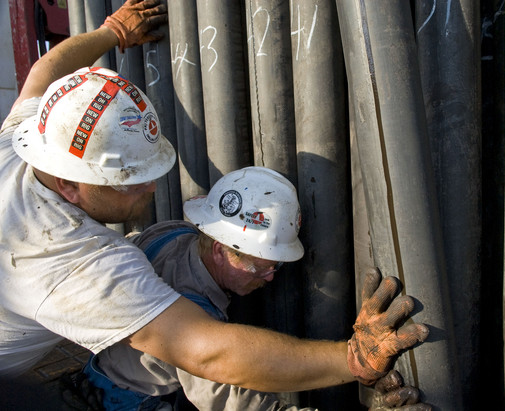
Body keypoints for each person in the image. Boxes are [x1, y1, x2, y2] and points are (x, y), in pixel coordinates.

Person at [0, 0, 428, 401]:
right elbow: (206, 353)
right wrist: (351, 359)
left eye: (150, 171)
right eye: (128, 181)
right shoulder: (74, 262)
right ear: (69, 184)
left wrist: (113, 31)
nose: (151, 189)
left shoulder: (27, 138)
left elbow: (45, 71)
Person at [83, 166, 430, 410]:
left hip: (99, 364)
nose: (271, 277)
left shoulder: (172, 232)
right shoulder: (191, 319)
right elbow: (240, 406)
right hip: (126, 399)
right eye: (262, 265)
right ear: (221, 249)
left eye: (276, 264)